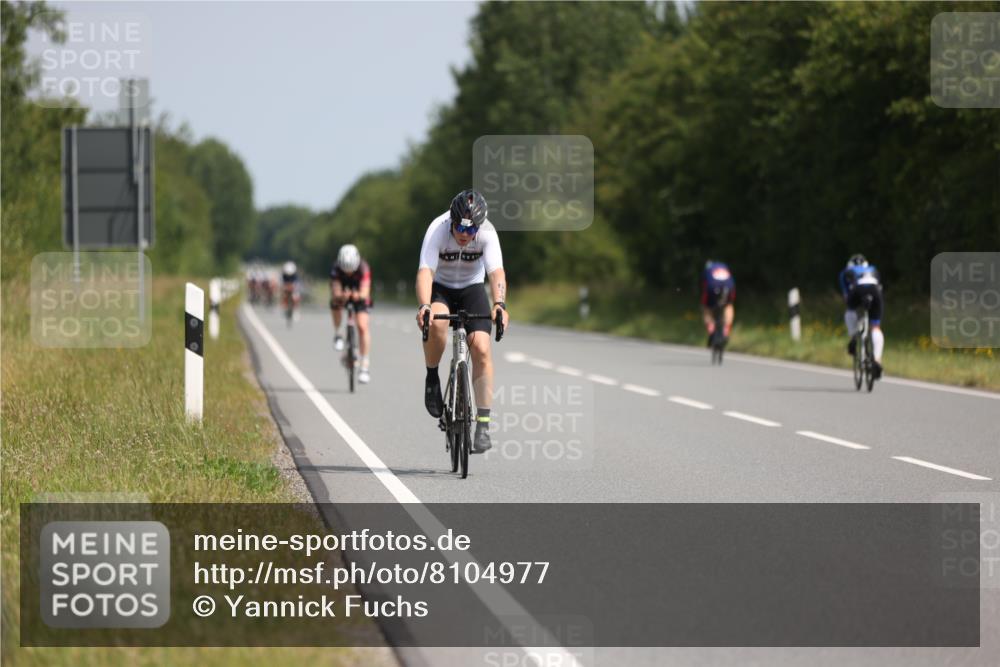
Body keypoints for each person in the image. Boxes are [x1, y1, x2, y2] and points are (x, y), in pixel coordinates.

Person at [416, 189, 509, 454]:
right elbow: (425, 271)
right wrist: (424, 305)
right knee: (436, 324)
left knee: (480, 348)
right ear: (452, 221)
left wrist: (500, 304)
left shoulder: (488, 233)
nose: (465, 235)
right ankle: (432, 377)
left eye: (471, 231)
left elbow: (496, 272)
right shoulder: (438, 228)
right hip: (441, 288)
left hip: (471, 289)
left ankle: (483, 425)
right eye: (460, 228)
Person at [330, 244, 372, 384]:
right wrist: (342, 296)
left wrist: (356, 295)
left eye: (351, 270)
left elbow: (365, 292)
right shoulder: (336, 268)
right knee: (335, 304)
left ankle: (364, 365)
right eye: (345, 270)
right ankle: (338, 334)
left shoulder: (363, 268)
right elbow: (336, 291)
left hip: (358, 294)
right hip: (342, 293)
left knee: (362, 326)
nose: (348, 273)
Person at [839, 253, 884, 378]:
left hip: (858, 289)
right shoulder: (873, 269)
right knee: (875, 327)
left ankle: (853, 337)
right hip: (875, 290)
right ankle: (877, 360)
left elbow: (847, 295)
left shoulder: (846, 271)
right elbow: (879, 286)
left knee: (850, 311)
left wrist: (854, 305)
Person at [701, 260, 735, 346]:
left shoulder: (708, 270)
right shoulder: (725, 267)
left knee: (706, 307)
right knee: (728, 305)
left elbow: (703, 284)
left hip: (712, 286)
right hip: (728, 285)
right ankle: (726, 331)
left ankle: (711, 330)